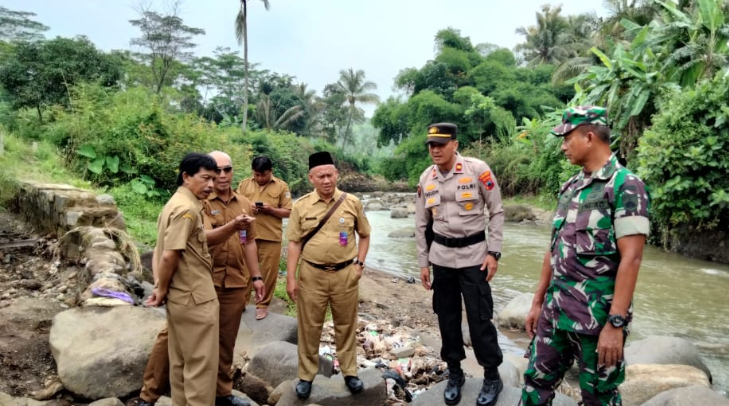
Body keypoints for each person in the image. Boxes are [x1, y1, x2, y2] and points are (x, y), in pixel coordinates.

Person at [520, 106, 650, 406]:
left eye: (567, 138)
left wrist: (615, 326)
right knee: (534, 385)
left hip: (596, 322)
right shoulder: (571, 187)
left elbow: (632, 259)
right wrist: (538, 301)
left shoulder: (626, 187)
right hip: (555, 314)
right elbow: (554, 249)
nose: (563, 146)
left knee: (598, 397)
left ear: (589, 137)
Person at [141, 151, 265, 406]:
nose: (218, 178)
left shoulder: (241, 203)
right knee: (193, 358)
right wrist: (160, 287)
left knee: (218, 346)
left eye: (226, 170)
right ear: (188, 176)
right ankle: (149, 394)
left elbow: (249, 241)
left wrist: (256, 277)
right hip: (197, 289)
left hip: (228, 282)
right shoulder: (194, 205)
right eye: (210, 174)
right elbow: (173, 250)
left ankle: (222, 393)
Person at [415, 123, 505, 406]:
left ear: (455, 144)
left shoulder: (478, 170)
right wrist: (423, 262)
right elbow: (420, 224)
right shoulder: (426, 178)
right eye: (431, 145)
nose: (435, 150)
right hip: (441, 258)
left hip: (474, 257)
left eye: (441, 144)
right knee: (447, 318)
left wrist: (494, 252)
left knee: (480, 319)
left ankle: (492, 375)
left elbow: (497, 211)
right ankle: (455, 372)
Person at [285, 151, 371, 400]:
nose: (326, 180)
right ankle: (306, 375)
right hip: (312, 274)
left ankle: (350, 372)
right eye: (320, 176)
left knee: (346, 325)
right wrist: (291, 277)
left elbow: (365, 234)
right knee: (310, 327)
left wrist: (360, 265)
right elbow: (294, 244)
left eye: (330, 175)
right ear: (311, 178)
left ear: (337, 174)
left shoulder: (351, 202)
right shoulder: (301, 206)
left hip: (346, 274)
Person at [145, 152, 220, 406]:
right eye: (206, 178)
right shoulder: (186, 210)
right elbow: (168, 255)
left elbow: (160, 250)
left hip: (181, 297)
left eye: (214, 178)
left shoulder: (174, 203)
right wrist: (161, 288)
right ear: (187, 177)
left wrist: (161, 288)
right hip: (194, 299)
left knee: (180, 363)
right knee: (201, 366)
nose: (211, 185)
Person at [237, 156, 293, 320]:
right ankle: (241, 302)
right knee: (244, 270)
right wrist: (248, 207)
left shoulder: (282, 187)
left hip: (270, 236)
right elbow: (235, 205)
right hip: (245, 235)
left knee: (268, 272)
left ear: (271, 171)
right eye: (257, 175)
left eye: (264, 175)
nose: (260, 178)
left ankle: (262, 305)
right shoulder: (244, 184)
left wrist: (271, 210)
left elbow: (289, 211)